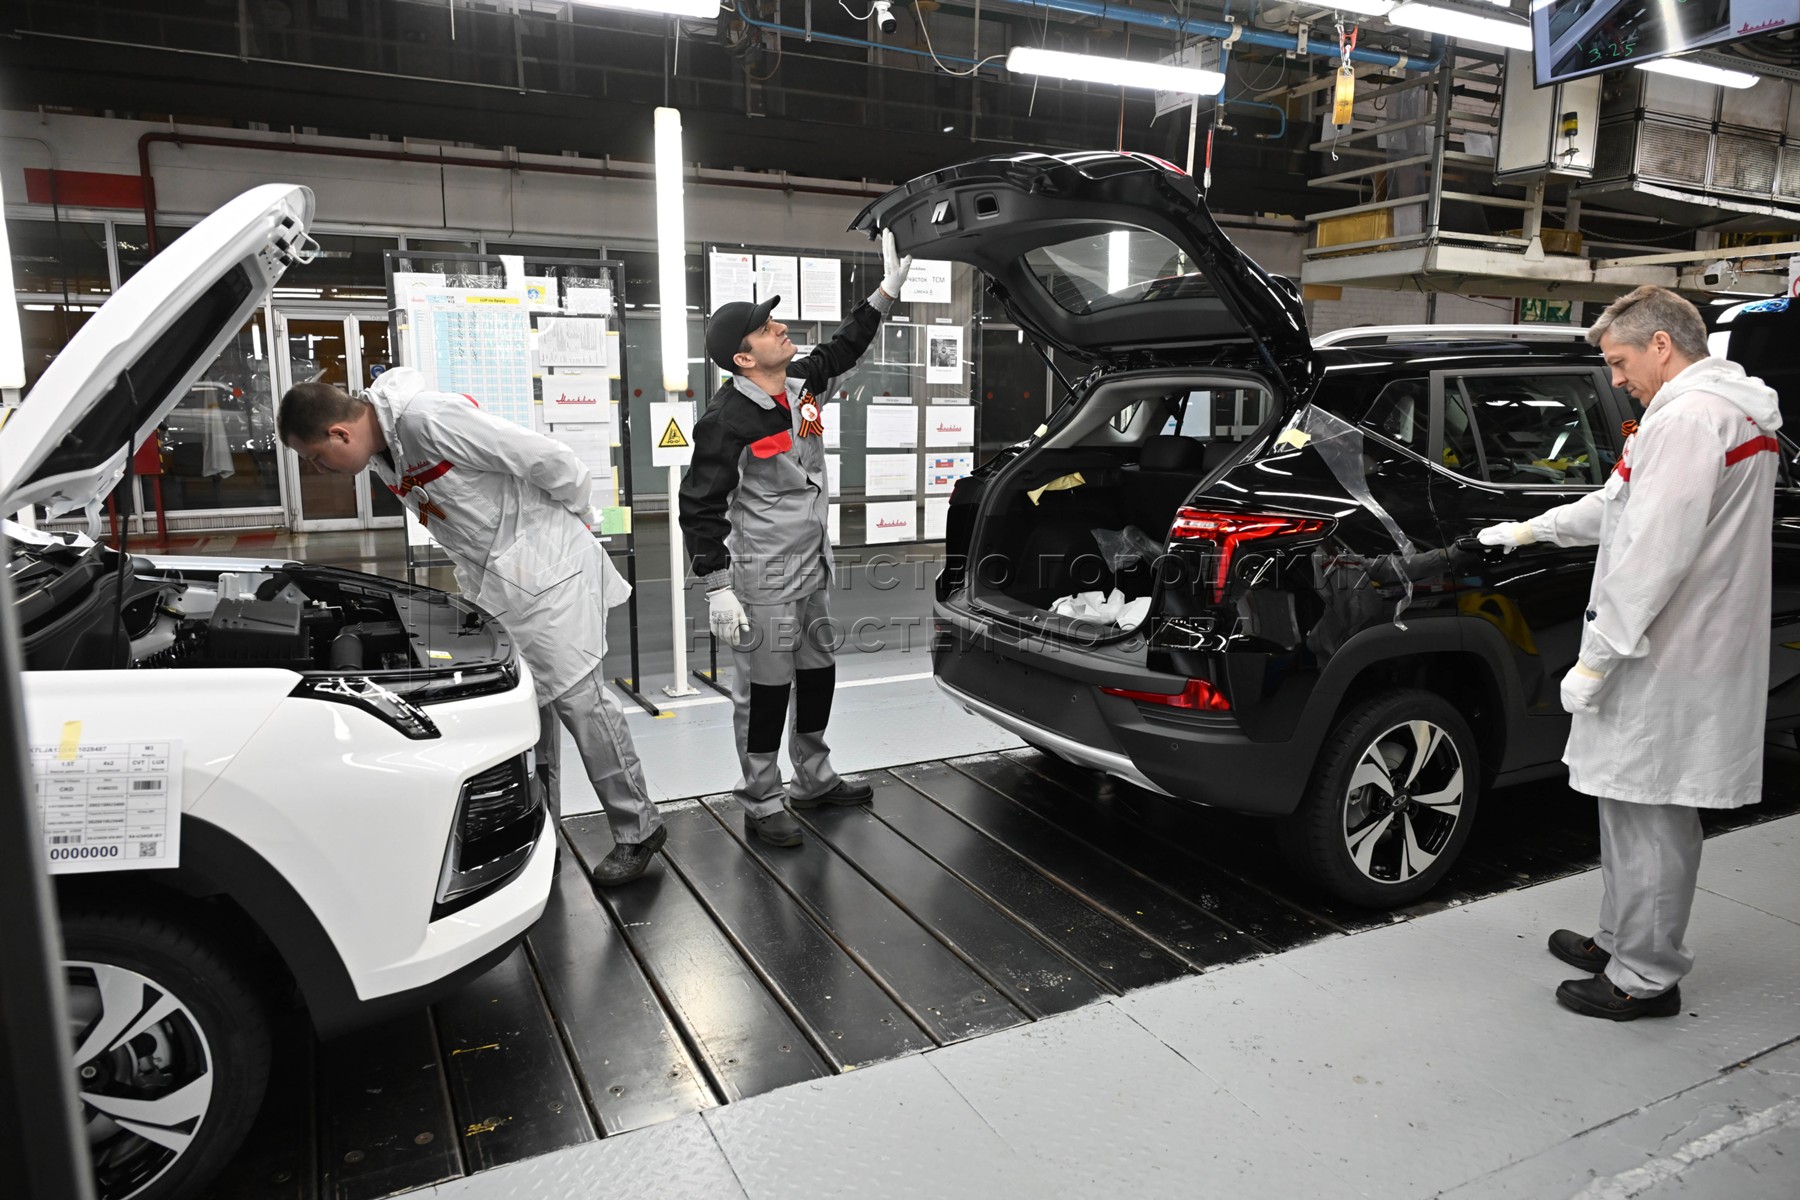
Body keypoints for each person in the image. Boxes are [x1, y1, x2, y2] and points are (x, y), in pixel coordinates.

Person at [1478, 285, 1782, 1020]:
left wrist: (1598, 659)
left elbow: (1653, 552)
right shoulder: (1713, 413)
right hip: (1676, 644)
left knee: (1652, 816)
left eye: (1619, 362)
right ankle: (1619, 938)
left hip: (1669, 649)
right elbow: (1617, 506)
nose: (1615, 379)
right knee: (1629, 802)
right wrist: (1531, 531)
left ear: (1662, 345)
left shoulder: (1692, 419)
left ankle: (1644, 977)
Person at [278, 368, 664, 885]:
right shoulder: (384, 453)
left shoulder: (429, 420)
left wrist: (561, 527)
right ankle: (540, 836)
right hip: (503, 587)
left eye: (316, 457)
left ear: (339, 433)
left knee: (581, 702)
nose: (319, 469)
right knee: (525, 711)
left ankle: (639, 828)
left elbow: (551, 460)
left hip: (550, 573)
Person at [677, 230, 911, 847]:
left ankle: (813, 777)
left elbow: (844, 346)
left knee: (816, 674)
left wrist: (887, 292)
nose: (780, 327)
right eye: (764, 328)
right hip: (763, 581)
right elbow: (699, 507)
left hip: (813, 569)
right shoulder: (726, 421)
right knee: (764, 691)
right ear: (743, 359)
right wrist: (716, 587)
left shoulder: (800, 385)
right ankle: (761, 798)